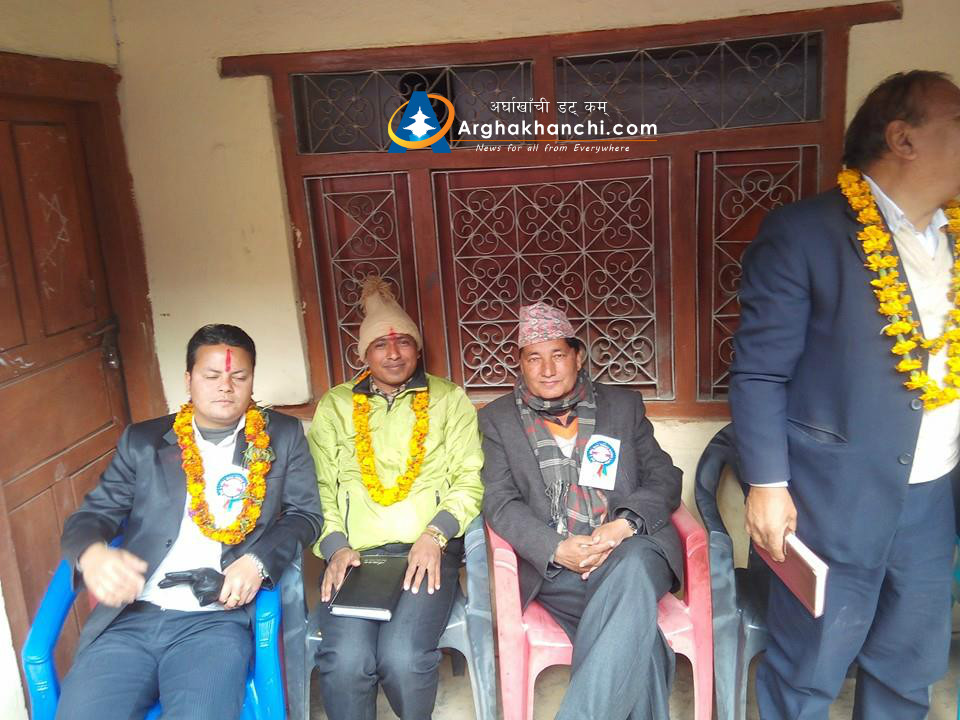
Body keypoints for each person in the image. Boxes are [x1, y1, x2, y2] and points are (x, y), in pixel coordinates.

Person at [730, 70, 960, 719]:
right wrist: (767, 485)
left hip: (932, 498)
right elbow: (760, 372)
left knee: (908, 670)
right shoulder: (807, 233)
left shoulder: (953, 237)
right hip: (831, 500)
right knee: (808, 671)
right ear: (902, 139)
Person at [56, 323, 323, 720]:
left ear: (252, 379)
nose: (225, 387)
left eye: (239, 376)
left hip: (216, 621)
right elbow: (93, 514)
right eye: (211, 376)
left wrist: (258, 561)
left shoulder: (280, 436)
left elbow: (305, 515)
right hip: (132, 617)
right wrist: (92, 554)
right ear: (188, 379)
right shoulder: (143, 441)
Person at [480, 301, 683, 720]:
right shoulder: (498, 419)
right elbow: (500, 502)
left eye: (557, 355)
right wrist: (555, 548)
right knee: (637, 642)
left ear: (577, 356)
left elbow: (665, 477)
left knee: (630, 568)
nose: (547, 369)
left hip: (632, 546)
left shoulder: (622, 406)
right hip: (560, 567)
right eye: (533, 358)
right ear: (521, 363)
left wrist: (624, 525)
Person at [308, 276, 483, 720]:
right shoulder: (336, 405)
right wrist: (335, 547)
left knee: (403, 657)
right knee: (346, 661)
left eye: (404, 342)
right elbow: (319, 487)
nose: (393, 353)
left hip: (428, 550)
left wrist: (436, 534)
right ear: (363, 355)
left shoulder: (448, 399)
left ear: (417, 350)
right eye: (380, 345)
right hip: (356, 557)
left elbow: (469, 479)